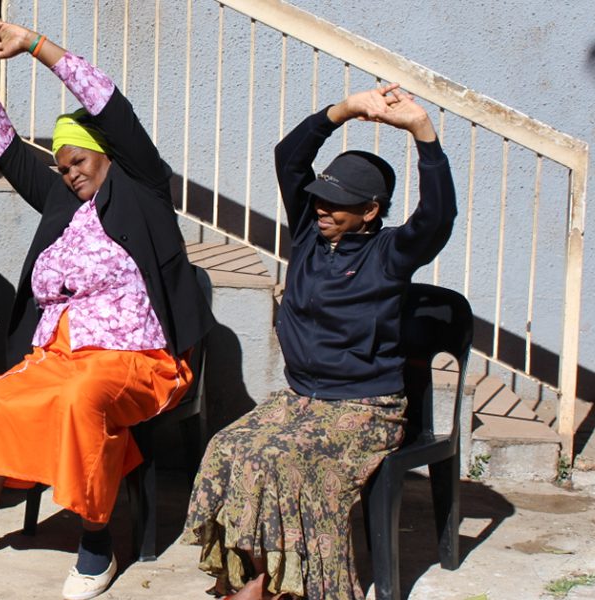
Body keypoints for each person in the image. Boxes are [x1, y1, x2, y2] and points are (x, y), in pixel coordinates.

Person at [0, 20, 214, 600]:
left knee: (84, 402)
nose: (70, 172)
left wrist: (33, 46)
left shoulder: (143, 187)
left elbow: (103, 98)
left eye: (79, 159)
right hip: (60, 351)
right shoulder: (62, 196)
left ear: (107, 154)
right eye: (61, 165)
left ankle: (96, 542)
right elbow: (4, 146)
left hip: (137, 357)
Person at [182, 83, 456, 599]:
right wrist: (345, 110)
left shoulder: (390, 254)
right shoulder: (310, 233)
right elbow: (290, 155)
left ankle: (270, 584)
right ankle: (248, 574)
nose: (324, 208)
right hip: (301, 398)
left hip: (364, 407)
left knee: (282, 461)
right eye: (320, 199)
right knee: (230, 447)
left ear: (371, 211)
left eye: (338, 203)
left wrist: (423, 133)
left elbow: (437, 218)